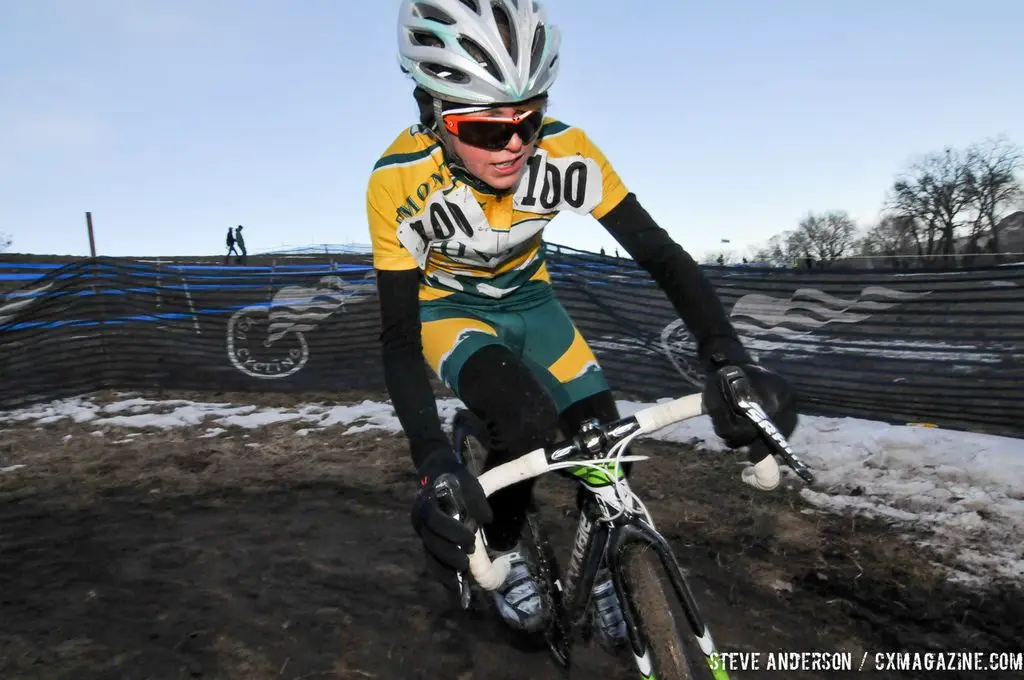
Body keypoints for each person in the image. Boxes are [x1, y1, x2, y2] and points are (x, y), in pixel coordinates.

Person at [366, 0, 798, 648]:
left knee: (605, 441)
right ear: (431, 114)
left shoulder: (567, 151)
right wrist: (430, 459)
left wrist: (726, 357)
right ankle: (507, 549)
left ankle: (606, 561)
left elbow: (660, 255)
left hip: (533, 303)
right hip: (451, 314)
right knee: (524, 424)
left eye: (528, 119)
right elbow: (399, 339)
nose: (514, 145)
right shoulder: (397, 183)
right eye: (485, 130)